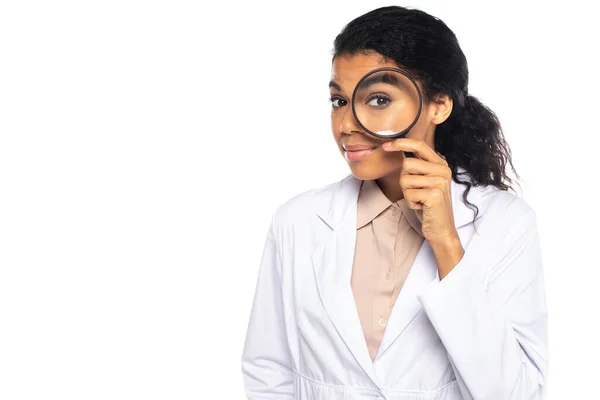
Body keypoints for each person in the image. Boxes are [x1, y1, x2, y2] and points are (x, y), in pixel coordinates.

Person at [241, 5, 548, 400]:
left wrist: (446, 243)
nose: (347, 124)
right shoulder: (297, 221)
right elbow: (269, 372)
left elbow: (515, 393)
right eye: (339, 101)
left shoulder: (506, 224)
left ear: (438, 104)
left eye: (379, 100)